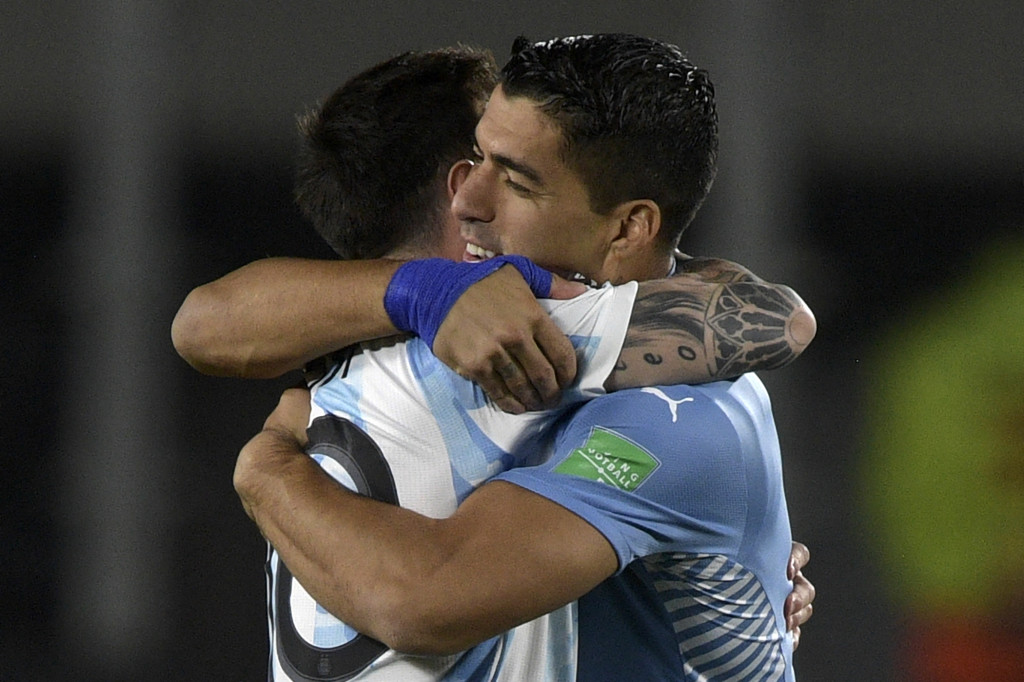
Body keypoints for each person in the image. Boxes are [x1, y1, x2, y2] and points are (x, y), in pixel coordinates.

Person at [177, 39, 815, 680]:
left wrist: (267, 472)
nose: (470, 199)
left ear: (627, 228)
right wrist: (420, 293)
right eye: (475, 160)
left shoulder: (676, 409)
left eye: (513, 178)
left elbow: (421, 601)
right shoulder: (429, 341)